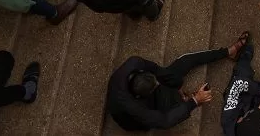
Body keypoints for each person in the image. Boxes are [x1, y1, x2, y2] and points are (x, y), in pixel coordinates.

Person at [106, 33, 249, 132]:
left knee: (185, 62)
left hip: (141, 91)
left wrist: (176, 84)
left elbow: (158, 70)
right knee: (174, 104)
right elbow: (165, 121)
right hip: (132, 119)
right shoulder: (134, 107)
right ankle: (185, 101)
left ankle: (228, 52)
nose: (159, 85)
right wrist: (194, 101)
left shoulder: (134, 63)